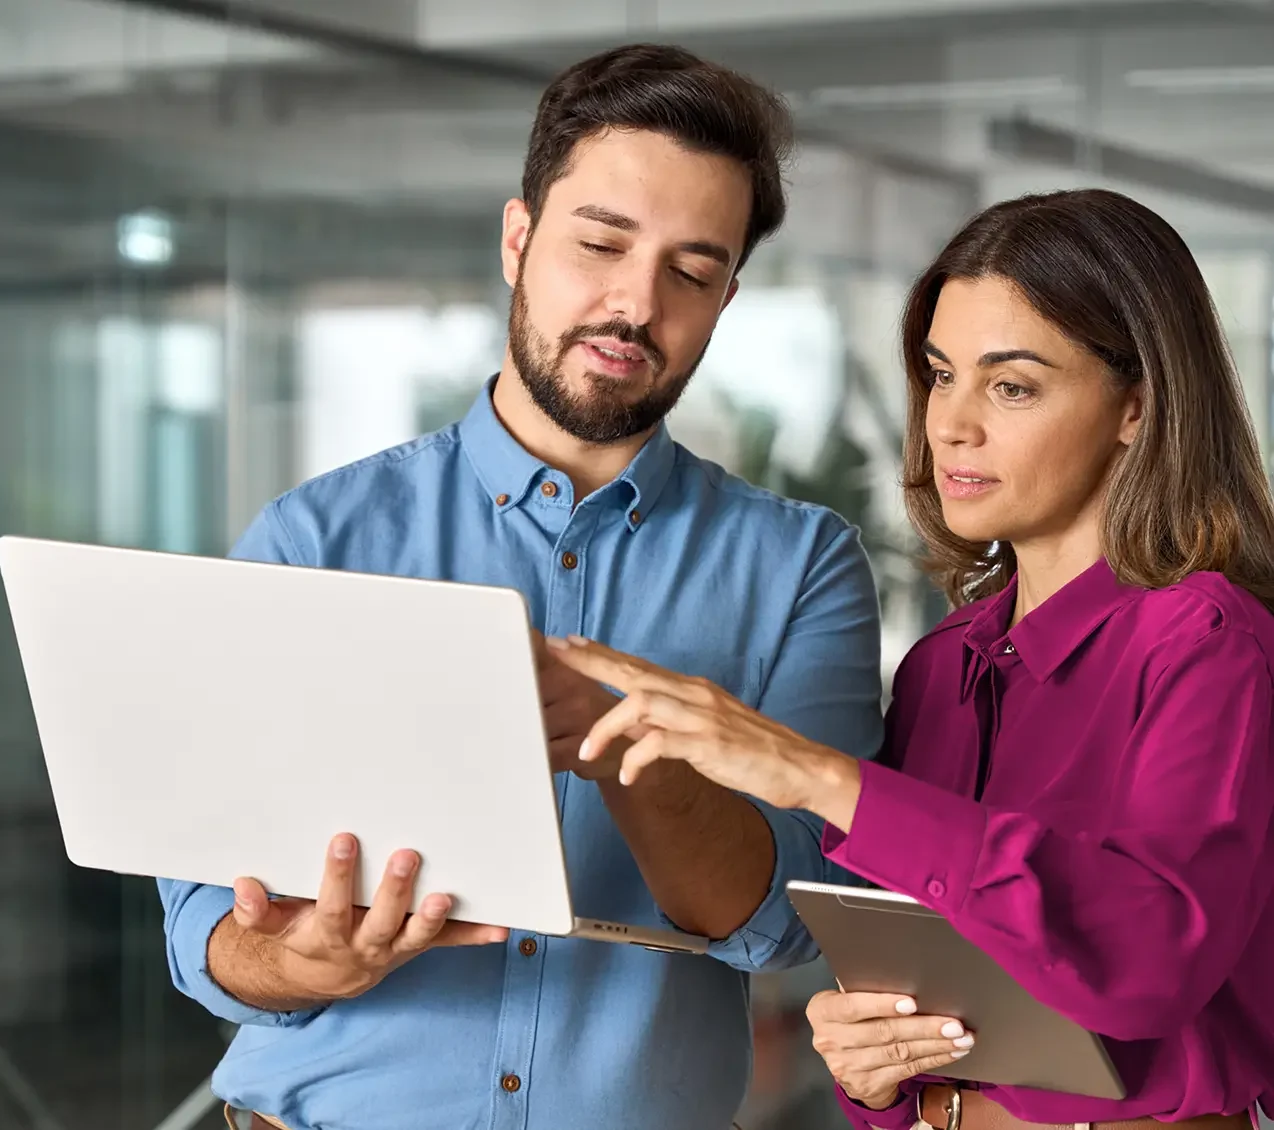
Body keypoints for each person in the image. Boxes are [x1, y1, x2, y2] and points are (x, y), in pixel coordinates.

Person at [157, 44, 885, 1130]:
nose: (633, 304)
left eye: (689, 272)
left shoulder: (799, 566)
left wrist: (624, 736)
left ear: (726, 297)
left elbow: (791, 921)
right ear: (517, 240)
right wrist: (300, 960)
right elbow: (202, 928)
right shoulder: (315, 537)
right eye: (598, 244)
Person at [551, 188, 1274, 1130]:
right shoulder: (943, 669)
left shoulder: (1214, 645)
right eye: (941, 375)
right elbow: (919, 1023)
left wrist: (821, 778)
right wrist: (872, 1069)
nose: (953, 425)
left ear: (1136, 406)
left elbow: (1145, 964)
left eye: (1012, 386)